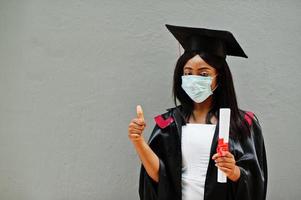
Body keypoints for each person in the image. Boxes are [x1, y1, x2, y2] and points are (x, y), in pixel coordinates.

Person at [128, 24, 268, 200]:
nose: (193, 79)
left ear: (220, 77)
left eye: (203, 74)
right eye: (188, 73)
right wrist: (138, 141)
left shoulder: (243, 123)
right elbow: (159, 177)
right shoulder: (168, 123)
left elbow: (256, 182)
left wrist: (234, 172)